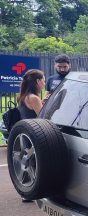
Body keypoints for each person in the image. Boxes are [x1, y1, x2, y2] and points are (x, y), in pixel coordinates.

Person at [16, 69, 45, 203]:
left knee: (28, 164)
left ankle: (26, 193)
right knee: (37, 165)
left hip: (25, 135)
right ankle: (33, 193)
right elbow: (43, 118)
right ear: (38, 81)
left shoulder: (22, 96)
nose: (44, 83)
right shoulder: (33, 98)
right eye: (43, 80)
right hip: (35, 135)